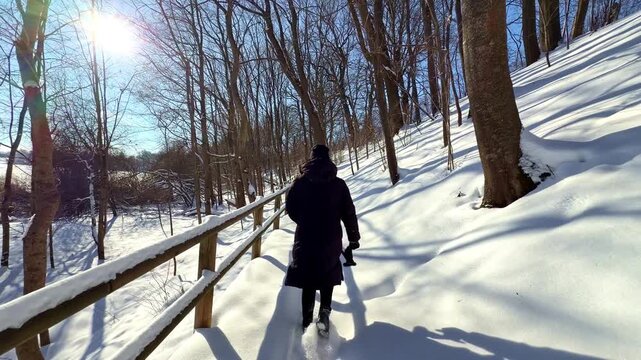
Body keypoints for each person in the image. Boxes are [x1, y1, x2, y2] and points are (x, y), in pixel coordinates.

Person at [285, 144, 361, 334]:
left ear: (310, 159)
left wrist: (303, 220)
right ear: (329, 160)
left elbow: (290, 209)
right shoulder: (338, 184)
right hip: (331, 237)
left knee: (308, 278)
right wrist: (353, 238)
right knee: (328, 273)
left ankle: (306, 321)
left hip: (306, 237)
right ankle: (325, 313)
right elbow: (349, 212)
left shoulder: (299, 183)